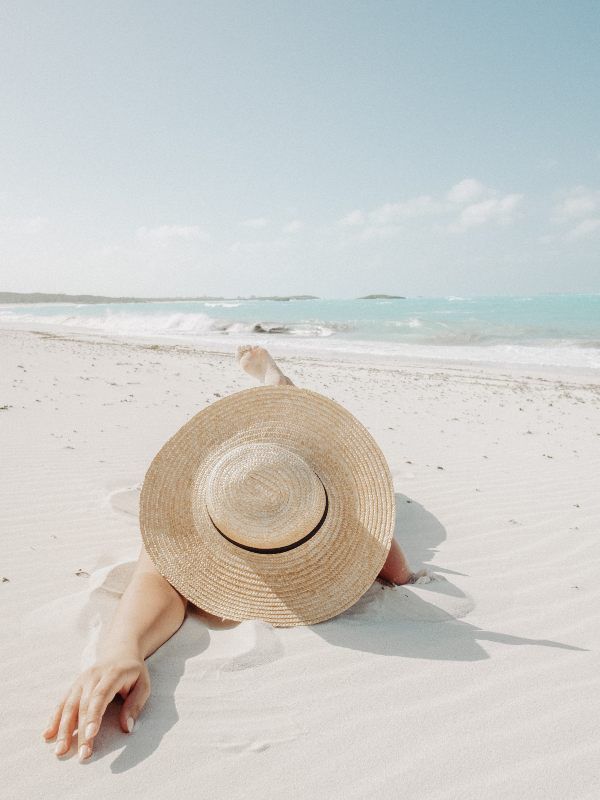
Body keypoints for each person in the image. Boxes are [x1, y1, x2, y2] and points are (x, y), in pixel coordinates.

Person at [42, 345, 417, 763]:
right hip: (237, 468)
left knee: (287, 407)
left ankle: (274, 379)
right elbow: (156, 579)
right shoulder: (210, 501)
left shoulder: (318, 496)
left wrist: (389, 562)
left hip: (293, 467)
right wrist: (122, 649)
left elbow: (390, 560)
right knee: (279, 416)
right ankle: (273, 381)